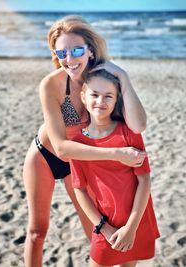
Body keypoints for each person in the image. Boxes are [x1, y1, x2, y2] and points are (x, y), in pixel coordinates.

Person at [23, 15, 147, 267]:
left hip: (81, 162)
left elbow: (138, 125)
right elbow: (60, 146)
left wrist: (123, 77)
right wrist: (116, 154)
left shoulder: (104, 79)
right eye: (62, 52)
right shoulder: (51, 85)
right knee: (37, 232)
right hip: (45, 157)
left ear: (90, 50)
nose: (69, 59)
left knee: (93, 230)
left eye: (77, 50)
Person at [70, 69, 160, 267]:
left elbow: (144, 180)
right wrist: (103, 227)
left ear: (116, 99)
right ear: (83, 96)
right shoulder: (77, 142)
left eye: (108, 96)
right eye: (94, 94)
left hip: (136, 220)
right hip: (105, 223)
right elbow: (80, 189)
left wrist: (131, 227)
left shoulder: (128, 133)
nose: (100, 101)